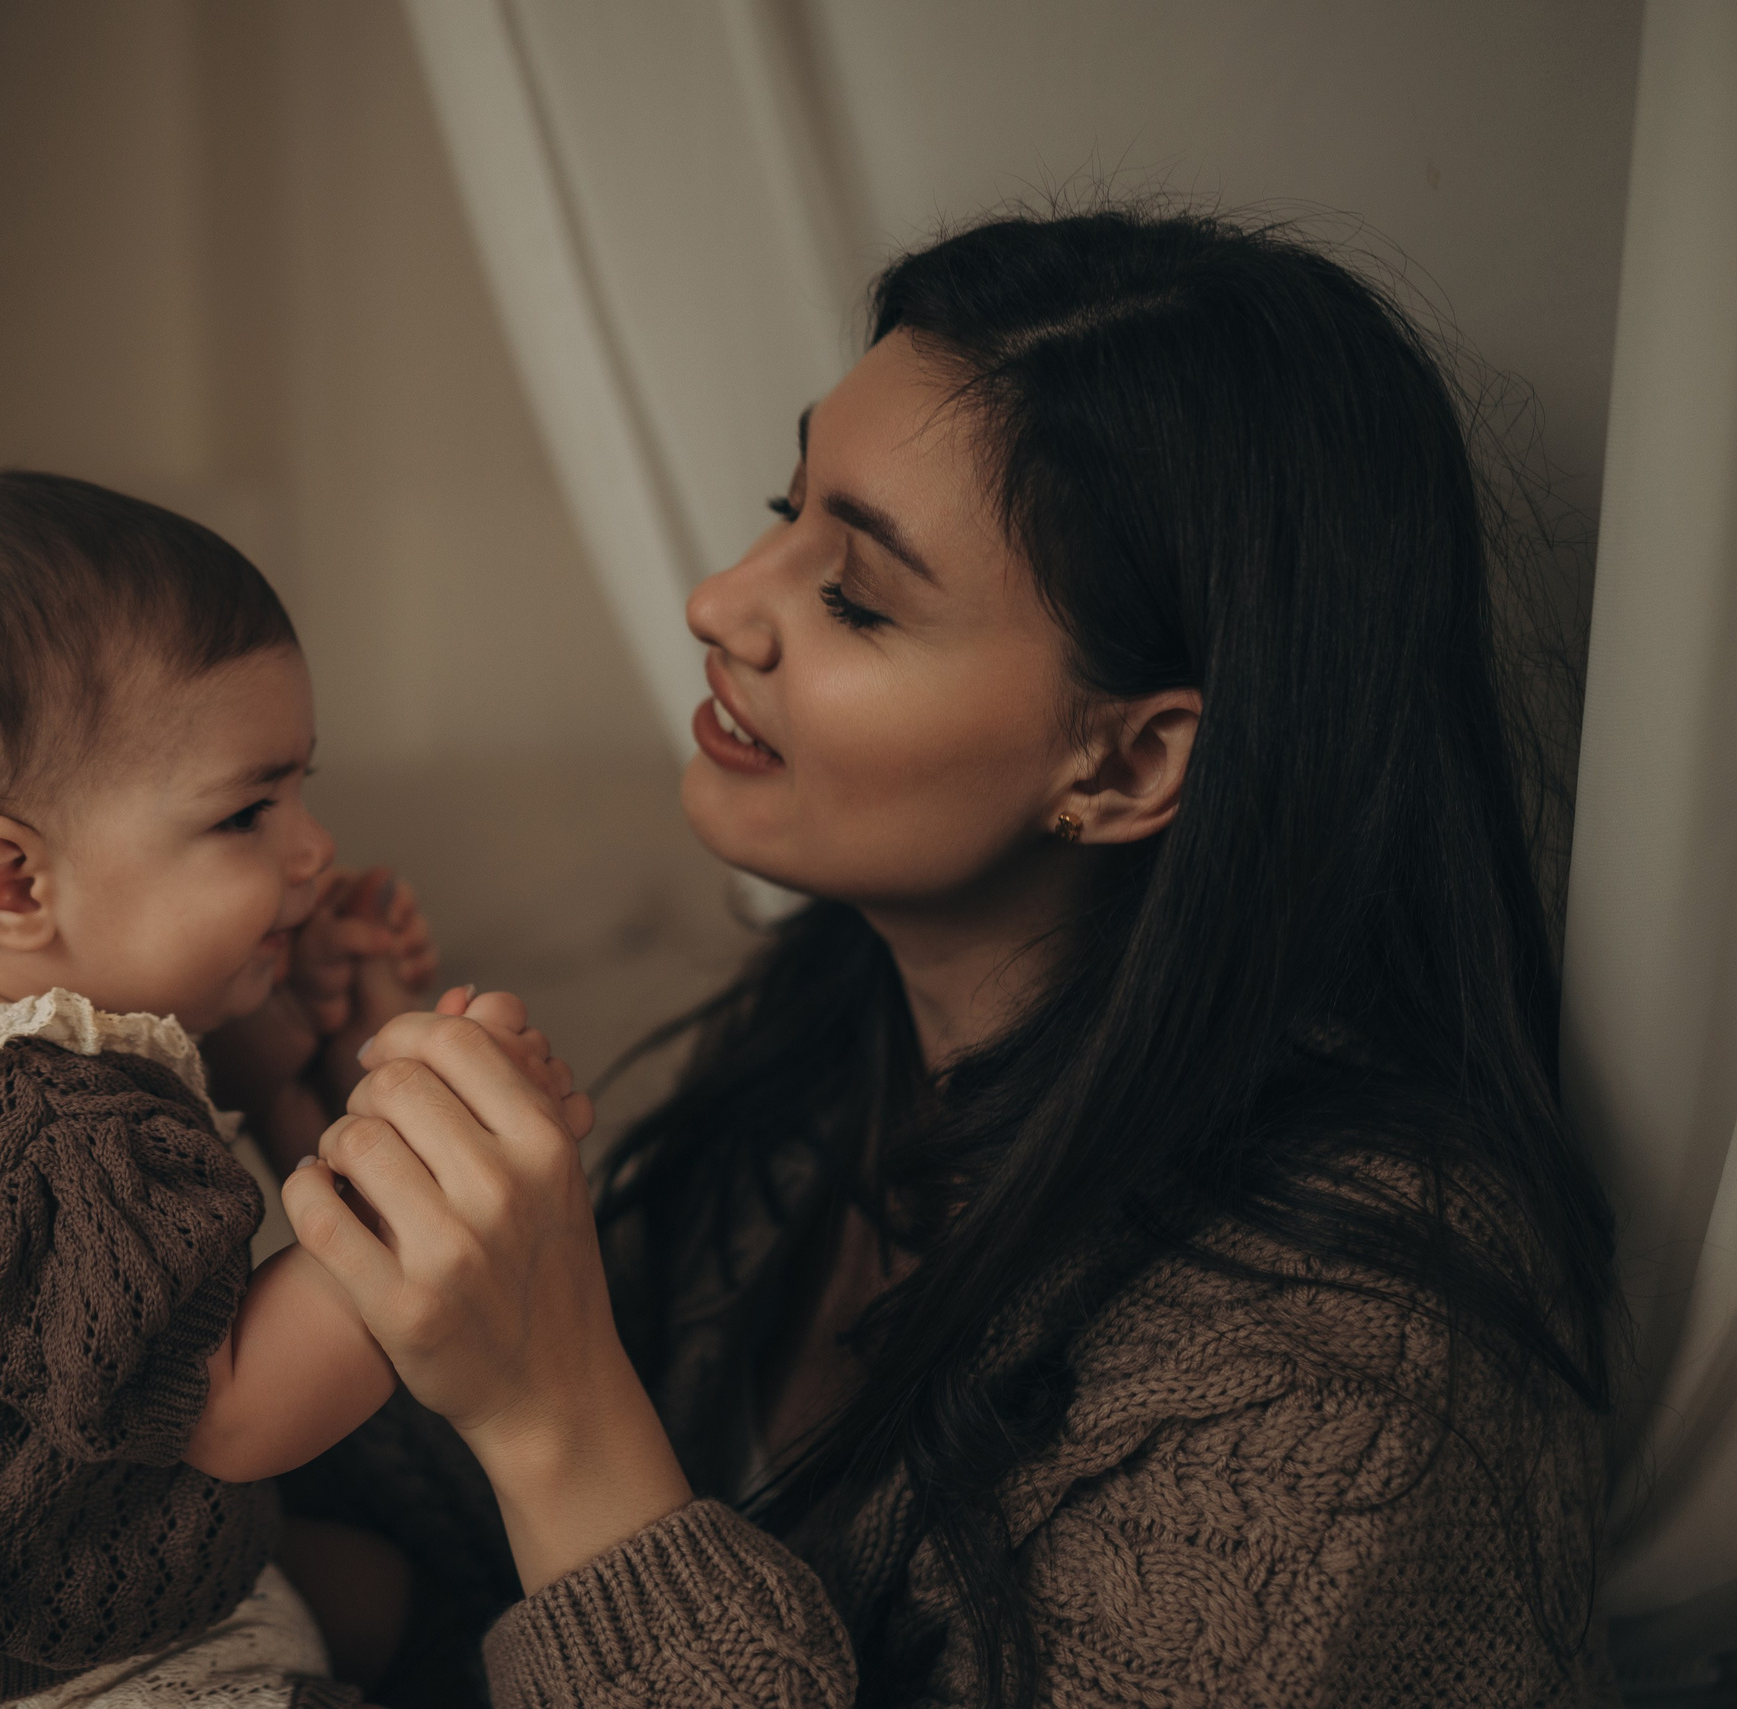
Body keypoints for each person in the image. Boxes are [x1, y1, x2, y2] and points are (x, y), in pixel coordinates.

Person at [277, 208, 1621, 1707]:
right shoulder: (826, 1047)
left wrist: (559, 1415)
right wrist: (346, 1176)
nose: (719, 602)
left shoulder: (1359, 1363)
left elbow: (584, 1512)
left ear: (1128, 764)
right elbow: (494, 1601)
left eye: (855, 593)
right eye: (780, 507)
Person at [0, 471, 588, 1709]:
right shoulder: (39, 1136)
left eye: (300, 787)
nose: (312, 846)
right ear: (12, 883)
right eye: (248, 812)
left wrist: (283, 1020)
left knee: (386, 1591)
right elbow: (238, 1413)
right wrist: (418, 1184)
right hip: (13, 1671)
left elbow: (168, 1116)